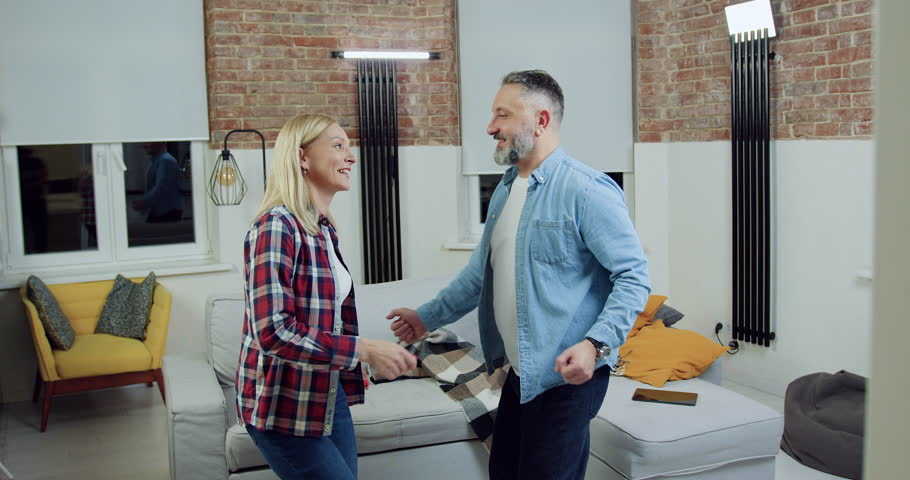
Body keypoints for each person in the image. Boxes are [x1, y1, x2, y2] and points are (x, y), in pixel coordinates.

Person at [388, 70, 651, 480]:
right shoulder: (508, 189)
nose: (490, 127)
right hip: (519, 374)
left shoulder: (587, 190)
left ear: (541, 121)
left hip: (566, 381)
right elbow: (479, 275)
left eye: (502, 115)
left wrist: (595, 345)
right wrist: (426, 317)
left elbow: (633, 276)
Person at [236, 114, 417, 480]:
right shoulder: (275, 227)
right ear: (302, 157)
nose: (351, 157)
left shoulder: (322, 229)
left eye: (349, 148)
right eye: (338, 146)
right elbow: (272, 331)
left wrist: (356, 364)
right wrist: (362, 350)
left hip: (325, 395)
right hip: (282, 406)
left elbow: (324, 319)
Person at [131, 142, 182, 222]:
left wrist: (143, 202)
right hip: (161, 212)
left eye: (150, 142)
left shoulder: (165, 160)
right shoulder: (158, 160)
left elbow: (161, 187)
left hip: (166, 213)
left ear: (161, 143)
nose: (145, 145)